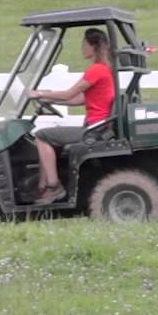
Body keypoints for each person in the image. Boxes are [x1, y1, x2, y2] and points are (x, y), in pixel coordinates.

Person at [27, 28, 115, 203]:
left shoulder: (96, 70)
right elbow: (81, 99)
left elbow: (69, 94)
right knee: (50, 137)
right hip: (99, 127)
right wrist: (52, 100)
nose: (83, 48)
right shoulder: (105, 69)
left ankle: (54, 186)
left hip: (93, 130)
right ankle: (42, 187)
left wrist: (39, 93)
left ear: (93, 46)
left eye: (84, 44)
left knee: (42, 136)